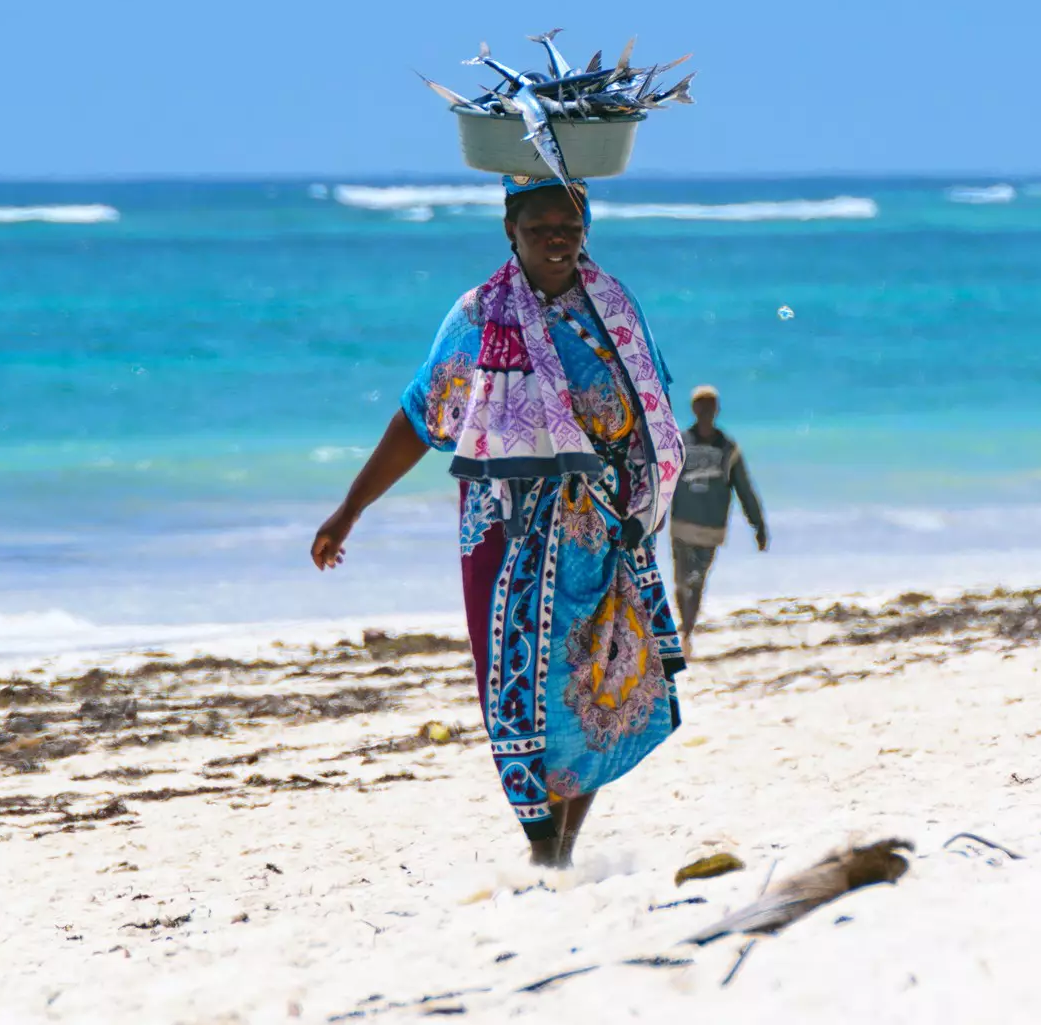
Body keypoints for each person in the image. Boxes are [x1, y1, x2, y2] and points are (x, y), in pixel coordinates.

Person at [309, 175, 685, 869]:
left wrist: (646, 501)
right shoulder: (479, 315)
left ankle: (561, 852)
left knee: (599, 682)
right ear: (509, 231)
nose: (556, 238)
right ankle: (543, 845)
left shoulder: (614, 309)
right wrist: (350, 508)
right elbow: (422, 415)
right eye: (540, 225)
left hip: (602, 528)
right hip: (507, 529)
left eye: (569, 226)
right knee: (514, 688)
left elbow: (655, 406)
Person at [667, 384, 768, 655]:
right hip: (681, 525)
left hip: (711, 529)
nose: (705, 412)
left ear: (716, 410)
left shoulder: (728, 448)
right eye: (701, 407)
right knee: (680, 581)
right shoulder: (679, 444)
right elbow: (663, 482)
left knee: (697, 581)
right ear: (694, 409)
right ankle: (684, 628)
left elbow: (745, 488)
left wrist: (758, 525)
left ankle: (687, 631)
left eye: (710, 407)